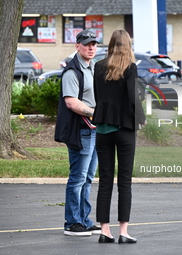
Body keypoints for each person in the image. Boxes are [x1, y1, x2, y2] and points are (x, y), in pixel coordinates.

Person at [92, 30, 146, 244]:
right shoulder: (131, 68)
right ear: (128, 46)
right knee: (125, 181)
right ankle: (123, 232)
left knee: (105, 180)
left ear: (110, 45)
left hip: (103, 129)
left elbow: (98, 96)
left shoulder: (98, 67)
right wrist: (141, 118)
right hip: (124, 129)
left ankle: (105, 231)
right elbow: (133, 97)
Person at [54, 29, 101, 236]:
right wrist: (96, 114)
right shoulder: (73, 71)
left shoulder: (92, 69)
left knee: (88, 177)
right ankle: (72, 222)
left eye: (94, 44)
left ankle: (84, 219)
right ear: (77, 46)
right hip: (81, 130)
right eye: (87, 44)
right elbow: (71, 102)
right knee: (78, 178)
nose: (91, 47)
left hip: (94, 130)